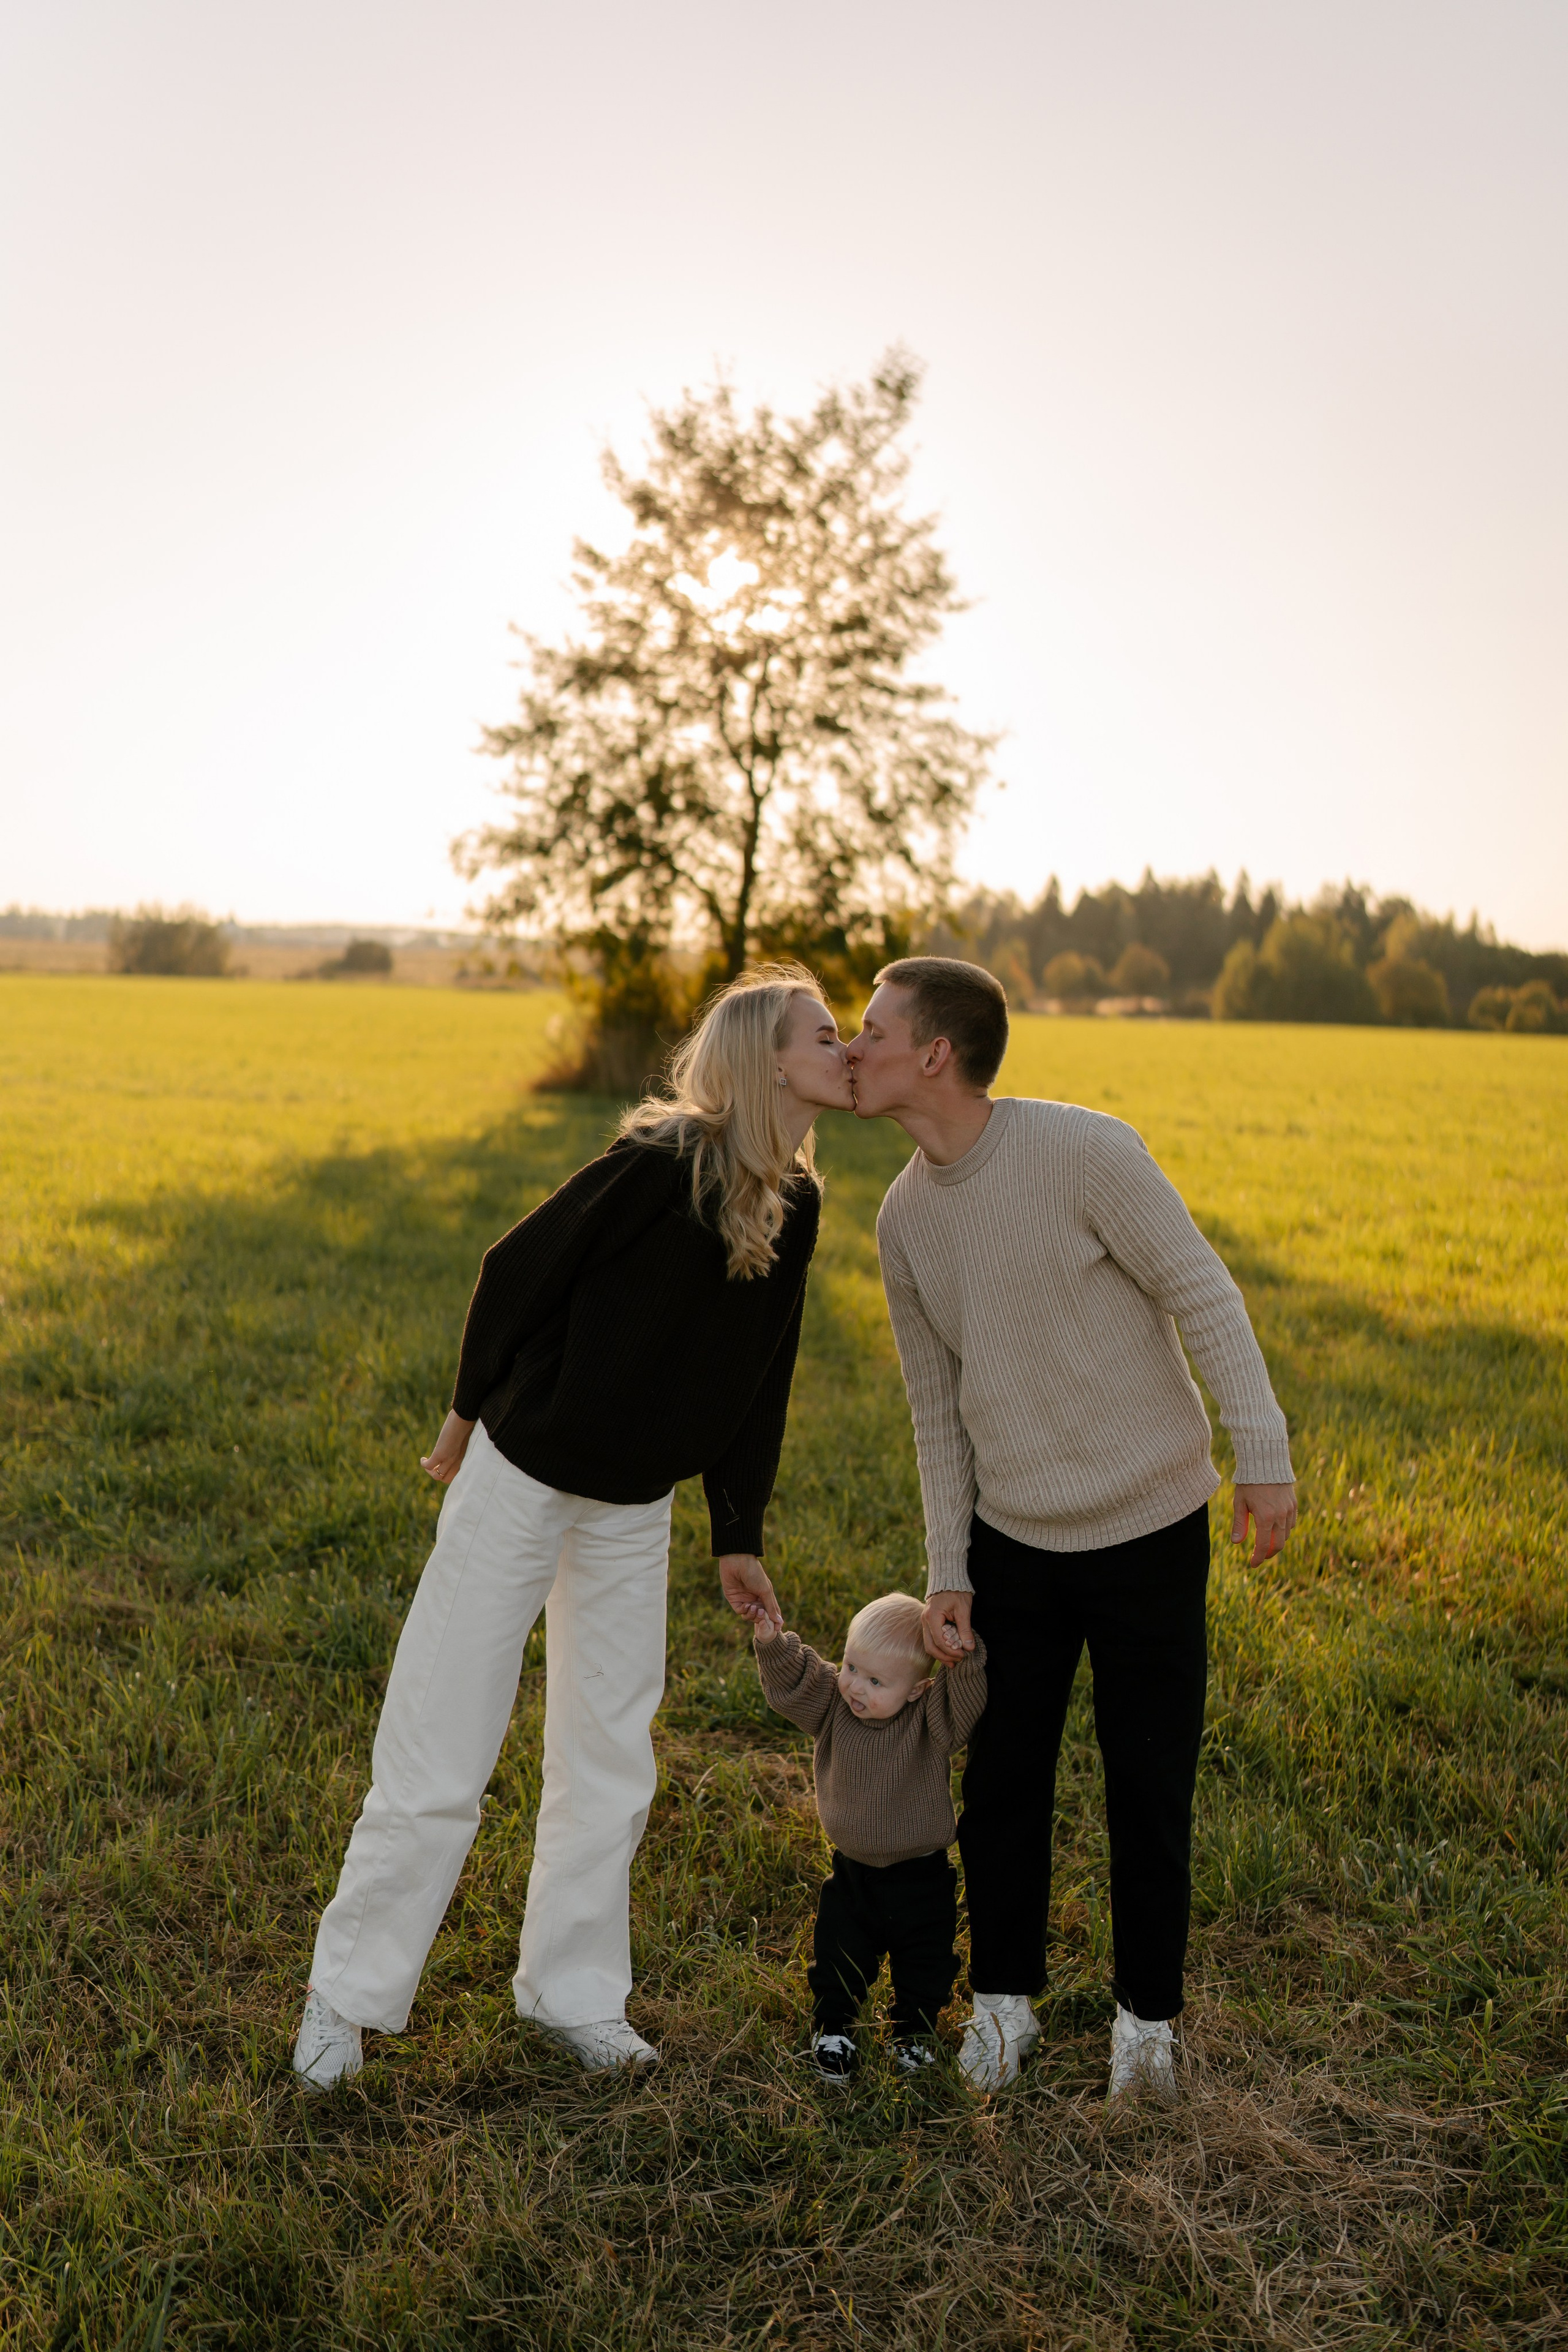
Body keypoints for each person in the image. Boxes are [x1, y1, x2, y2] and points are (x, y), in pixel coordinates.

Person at [292, 963, 854, 2090]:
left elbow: (764, 1373)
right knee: (442, 1743)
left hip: (634, 1505)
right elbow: (516, 1271)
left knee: (610, 1752)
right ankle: (342, 2003)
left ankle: (573, 1995)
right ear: (765, 1058)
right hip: (525, 1474)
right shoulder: (659, 1165)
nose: (847, 1049)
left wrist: (734, 1530)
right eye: (827, 1034)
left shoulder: (799, 1204)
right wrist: (460, 1420)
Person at [845, 957, 1297, 2102]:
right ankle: (1004, 2008)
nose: (855, 1049)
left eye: (873, 1030)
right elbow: (935, 1414)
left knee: (1150, 1785)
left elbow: (1204, 1291)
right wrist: (949, 1567)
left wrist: (1264, 1453)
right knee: (1004, 1785)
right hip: (1015, 1550)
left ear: (934, 1053)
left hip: (1149, 1526)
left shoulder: (1089, 1152)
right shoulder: (902, 1218)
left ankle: (1148, 2022)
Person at [753, 1591, 987, 2078]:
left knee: (927, 1962)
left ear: (919, 1688)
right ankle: (835, 2028)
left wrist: (961, 1653)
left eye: (876, 1680)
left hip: (921, 1873)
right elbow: (796, 1681)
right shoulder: (834, 1705)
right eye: (852, 1667)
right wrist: (772, 1641)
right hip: (854, 1871)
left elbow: (966, 1696)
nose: (856, 1687)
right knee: (838, 1952)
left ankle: (914, 2034)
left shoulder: (930, 1719)